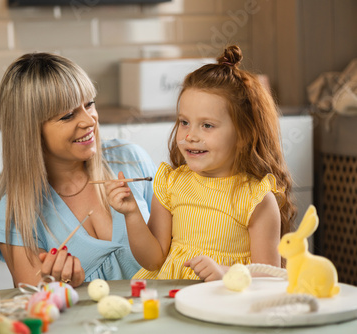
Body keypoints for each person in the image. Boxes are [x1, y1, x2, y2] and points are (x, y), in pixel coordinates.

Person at [106, 45, 296, 282]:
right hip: (171, 299)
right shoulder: (171, 184)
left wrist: (224, 273)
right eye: (184, 122)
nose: (190, 136)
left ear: (244, 135)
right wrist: (132, 213)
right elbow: (153, 259)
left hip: (224, 304)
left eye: (207, 125)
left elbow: (270, 277)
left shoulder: (256, 198)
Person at [0, 52, 156, 288]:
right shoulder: (17, 212)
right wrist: (58, 288)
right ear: (29, 131)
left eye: (89, 104)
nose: (89, 121)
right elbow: (38, 307)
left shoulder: (130, 159)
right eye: (67, 115)